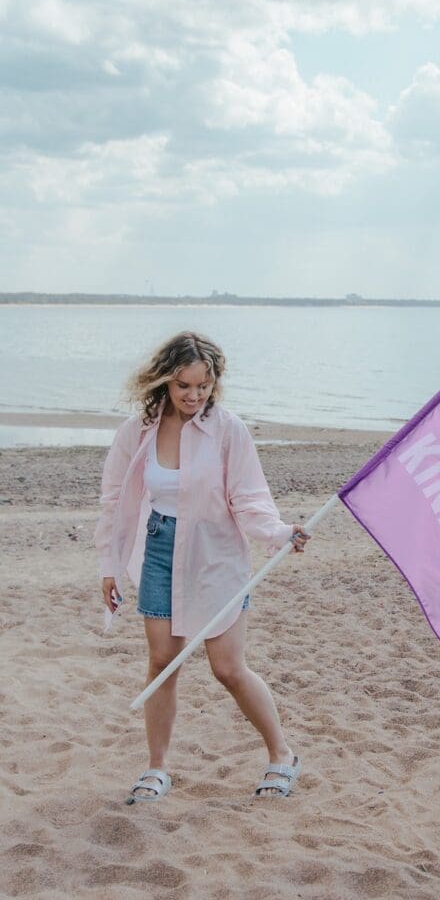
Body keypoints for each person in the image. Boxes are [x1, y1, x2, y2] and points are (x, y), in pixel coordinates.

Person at [96, 331, 310, 803]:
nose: (194, 396)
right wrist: (109, 565)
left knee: (228, 668)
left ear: (215, 384)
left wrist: (278, 531)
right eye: (184, 386)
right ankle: (156, 769)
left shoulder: (228, 429)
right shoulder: (139, 430)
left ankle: (283, 754)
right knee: (161, 664)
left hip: (216, 552)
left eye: (203, 386)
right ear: (164, 383)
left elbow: (248, 497)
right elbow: (114, 501)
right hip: (159, 549)